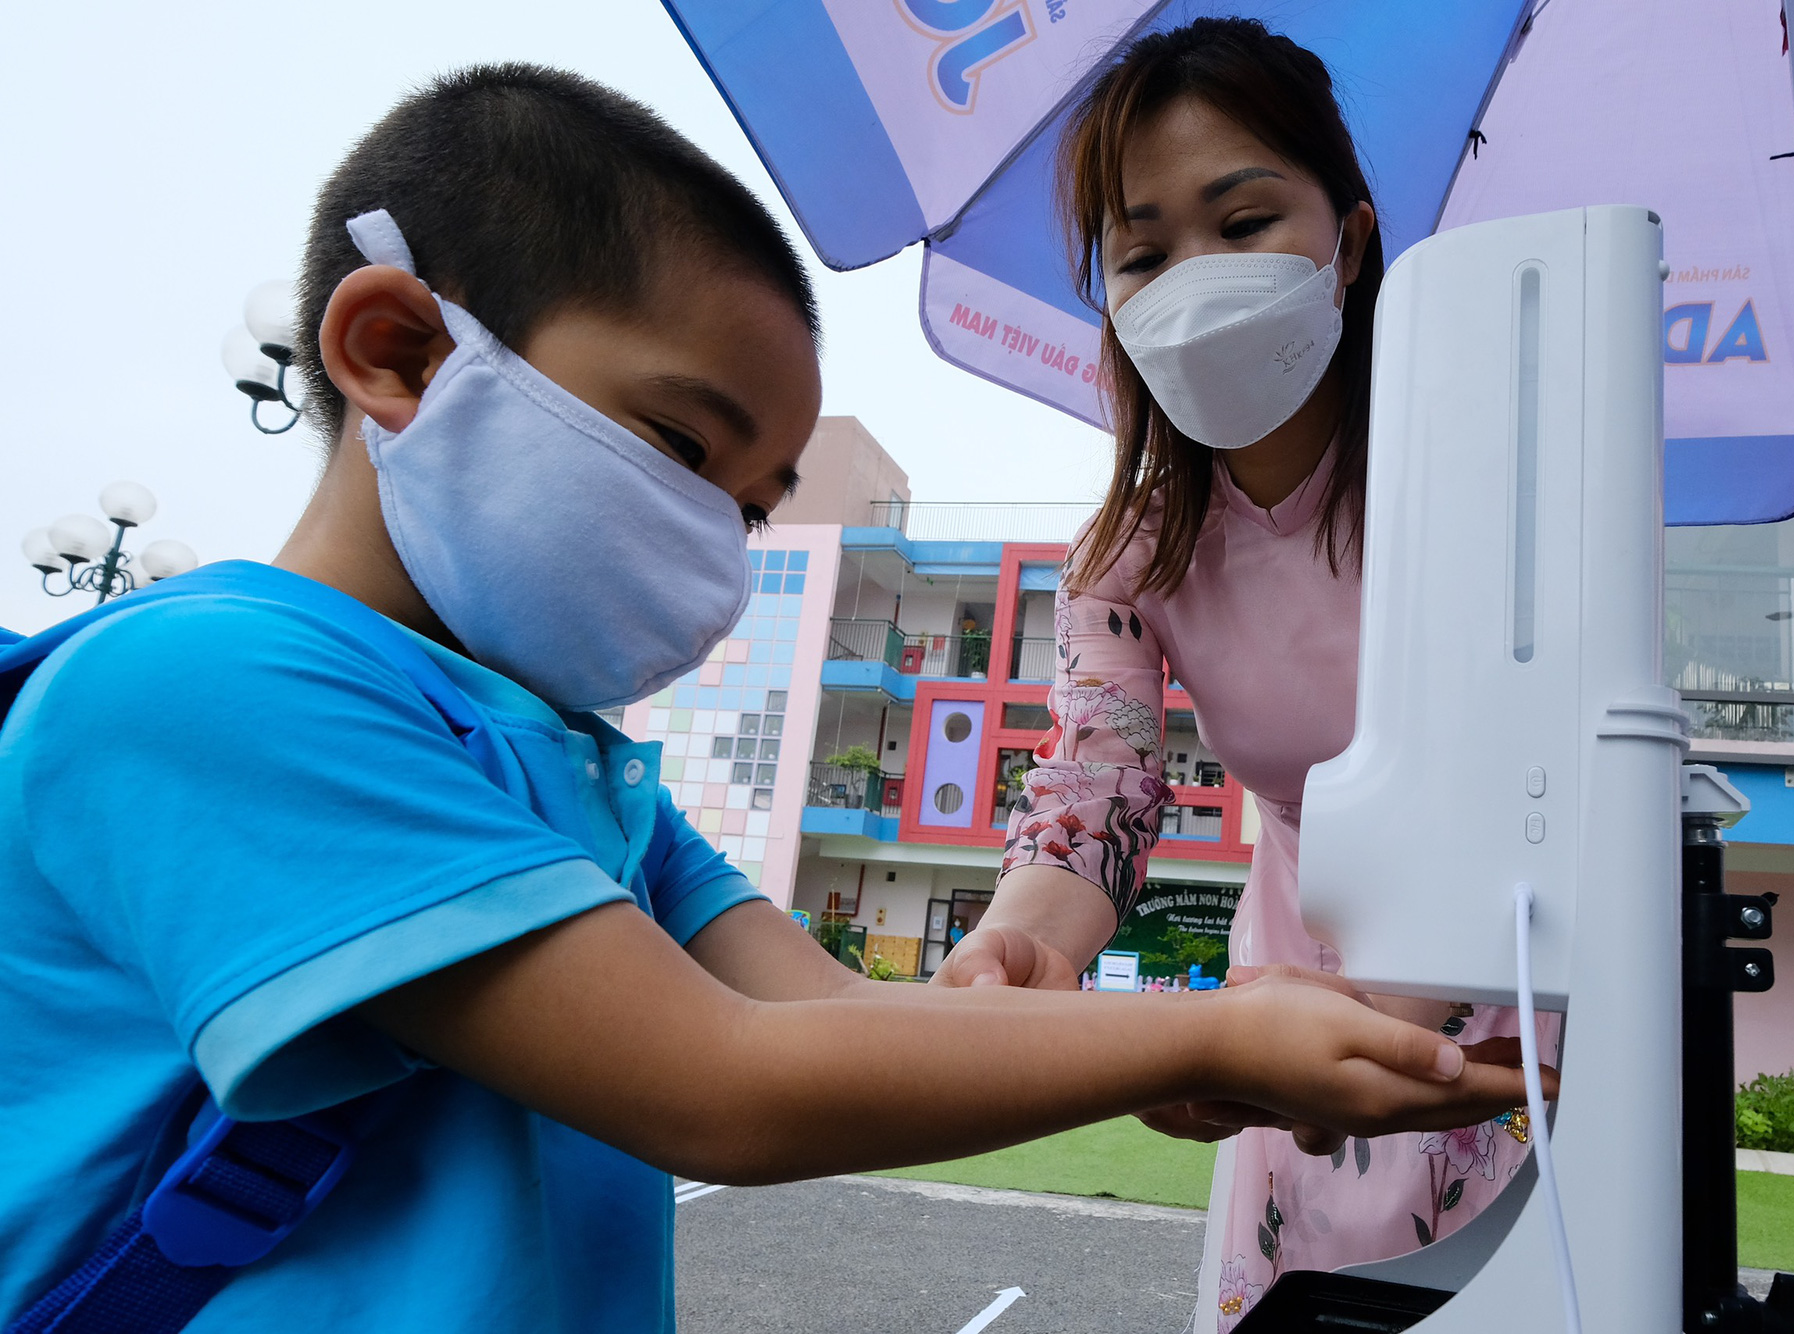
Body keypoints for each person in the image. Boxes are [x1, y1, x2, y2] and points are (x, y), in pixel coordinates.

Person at [0, 66, 1545, 1334]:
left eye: (749, 509)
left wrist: (1127, 1033)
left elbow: (834, 1022)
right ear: (394, 348)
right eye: (686, 450)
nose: (713, 552)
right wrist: (1182, 1027)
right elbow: (725, 1084)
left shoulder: (589, 778)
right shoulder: (206, 691)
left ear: (1345, 236)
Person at [930, 20, 1562, 1329]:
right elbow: (1094, 795)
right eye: (1145, 252)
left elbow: (1534, 782)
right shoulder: (1128, 554)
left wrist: (1312, 1035)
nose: (1192, 279)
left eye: (1246, 219)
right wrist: (1012, 952)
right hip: (1287, 1004)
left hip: (1515, 995)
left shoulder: (1489, 486)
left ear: (1354, 240)